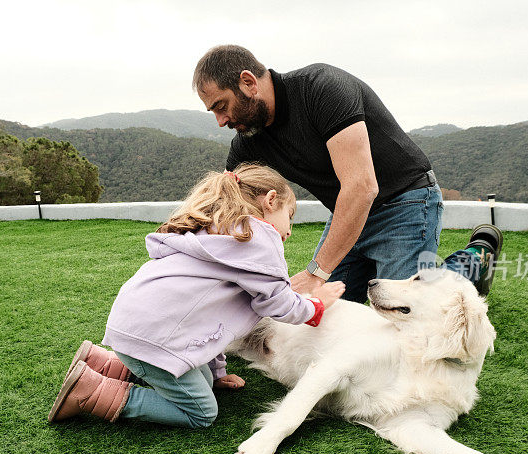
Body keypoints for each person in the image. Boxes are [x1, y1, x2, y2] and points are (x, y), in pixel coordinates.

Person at [193, 45, 503, 301]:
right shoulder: (248, 141)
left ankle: (475, 260)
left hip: (405, 203)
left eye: (222, 106)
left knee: (404, 307)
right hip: (348, 214)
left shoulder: (322, 88)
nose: (221, 120)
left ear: (248, 82)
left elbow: (362, 186)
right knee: (321, 311)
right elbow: (219, 205)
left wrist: (317, 271)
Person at [48, 163, 346, 428]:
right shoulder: (257, 240)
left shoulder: (213, 230)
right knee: (201, 412)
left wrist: (216, 373)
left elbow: (212, 318)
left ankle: (103, 363)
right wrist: (316, 306)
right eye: (289, 216)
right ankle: (90, 391)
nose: (290, 230)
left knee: (201, 381)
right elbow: (279, 304)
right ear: (270, 201)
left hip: (133, 326)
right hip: (153, 337)